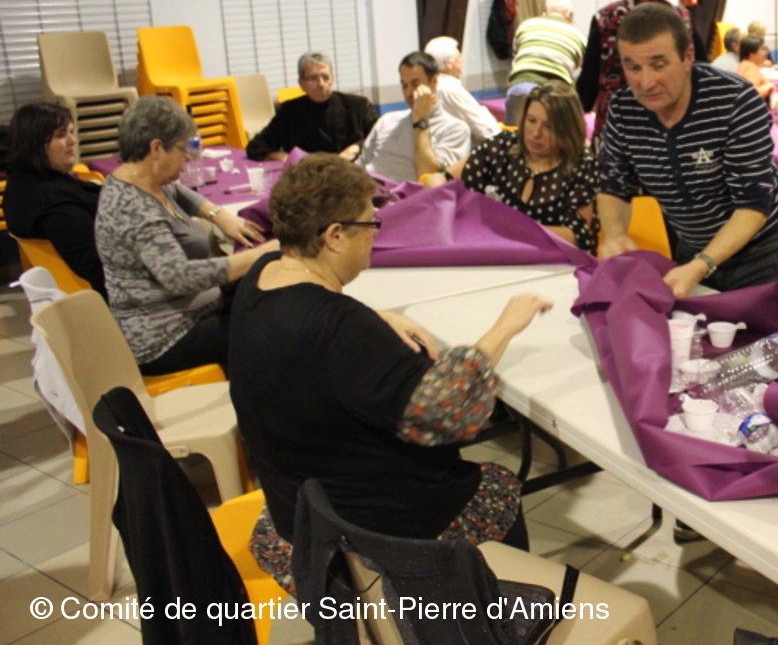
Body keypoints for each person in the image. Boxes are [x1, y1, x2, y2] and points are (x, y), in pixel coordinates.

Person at [228, 154, 552, 592]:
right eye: (369, 224)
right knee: (495, 486)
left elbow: (310, 320)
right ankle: (499, 611)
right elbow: (449, 410)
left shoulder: (262, 276)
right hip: (370, 533)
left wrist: (376, 316)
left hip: (299, 514)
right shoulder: (341, 328)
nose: (375, 234)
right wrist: (506, 327)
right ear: (335, 236)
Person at [597, 2, 778, 298]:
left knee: (773, 329)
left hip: (767, 250)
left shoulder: (735, 101)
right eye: (633, 67)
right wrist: (615, 233)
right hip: (696, 245)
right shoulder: (623, 109)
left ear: (687, 57)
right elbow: (614, 186)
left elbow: (752, 205)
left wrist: (701, 265)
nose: (645, 82)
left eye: (659, 65)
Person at [95, 96, 278, 375]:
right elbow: (181, 277)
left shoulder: (146, 178)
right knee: (273, 330)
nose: (188, 159)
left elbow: (180, 192)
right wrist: (262, 253)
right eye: (183, 150)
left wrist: (218, 214)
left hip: (192, 309)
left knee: (268, 294)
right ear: (156, 148)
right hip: (164, 336)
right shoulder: (133, 207)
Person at [441, 81, 599, 253]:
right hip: (502, 257)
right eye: (531, 121)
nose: (536, 133)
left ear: (567, 129)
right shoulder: (504, 146)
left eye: (548, 126)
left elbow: (577, 236)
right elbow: (440, 180)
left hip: (556, 263)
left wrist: (511, 229)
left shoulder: (584, 166)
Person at [576, 0, 701, 143]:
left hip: (618, 128)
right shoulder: (682, 18)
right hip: (675, 126)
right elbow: (700, 72)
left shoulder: (604, 19)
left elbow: (587, 85)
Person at [4, 103, 107, 297]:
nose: (72, 141)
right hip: (109, 298)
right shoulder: (49, 201)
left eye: (71, 132)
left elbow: (85, 191)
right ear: (34, 143)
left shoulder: (29, 180)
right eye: (61, 135)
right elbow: (96, 266)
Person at [358, 52, 471, 183]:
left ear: (434, 82)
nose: (408, 93)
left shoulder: (455, 129)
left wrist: (421, 121)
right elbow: (361, 165)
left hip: (406, 194)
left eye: (415, 84)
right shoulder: (387, 121)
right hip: (368, 188)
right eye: (404, 85)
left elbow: (429, 176)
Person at [245, 52, 377, 162]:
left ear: (332, 79)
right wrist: (280, 155)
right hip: (307, 175)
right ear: (301, 84)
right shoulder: (289, 111)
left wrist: (355, 148)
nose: (321, 84)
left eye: (325, 77)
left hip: (348, 172)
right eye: (313, 78)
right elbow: (256, 146)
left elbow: (379, 136)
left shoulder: (358, 106)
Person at [503, 0, 588, 126]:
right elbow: (586, 72)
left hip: (519, 85)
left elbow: (516, 58)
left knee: (513, 133)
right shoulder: (579, 36)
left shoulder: (526, 25)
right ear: (569, 15)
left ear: (545, 13)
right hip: (554, 92)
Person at [422, 36, 502, 144]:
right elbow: (486, 130)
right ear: (448, 63)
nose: (462, 60)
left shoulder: (435, 85)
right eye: (459, 57)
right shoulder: (450, 89)